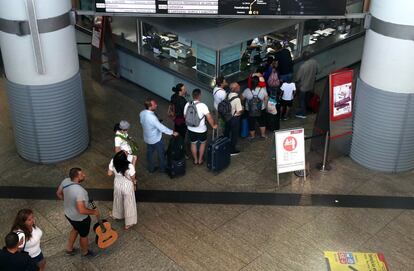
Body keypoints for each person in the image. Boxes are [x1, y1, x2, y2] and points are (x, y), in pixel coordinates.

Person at [56, 168, 100, 257]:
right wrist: (94, 212)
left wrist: (68, 201)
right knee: (84, 236)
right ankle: (85, 252)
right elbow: (82, 210)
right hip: (80, 218)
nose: (84, 175)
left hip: (68, 214)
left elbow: (58, 193)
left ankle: (69, 249)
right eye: (81, 175)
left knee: (75, 228)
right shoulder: (80, 191)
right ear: (76, 177)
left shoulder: (65, 181)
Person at [140, 98, 178, 173]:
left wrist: (153, 125)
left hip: (147, 138)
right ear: (150, 107)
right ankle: (163, 168)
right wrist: (172, 132)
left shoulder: (142, 113)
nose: (156, 105)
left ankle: (151, 168)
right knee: (161, 154)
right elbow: (162, 128)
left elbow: (143, 122)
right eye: (154, 104)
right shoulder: (152, 118)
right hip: (156, 139)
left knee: (150, 153)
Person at [184, 88, 217, 165]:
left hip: (191, 129)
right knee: (202, 143)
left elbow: (185, 116)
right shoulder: (203, 105)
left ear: (193, 96)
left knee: (193, 143)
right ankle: (200, 160)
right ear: (199, 96)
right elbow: (209, 117)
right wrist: (213, 126)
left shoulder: (187, 104)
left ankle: (195, 160)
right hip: (201, 129)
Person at [108, 151, 137, 230]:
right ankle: (128, 223)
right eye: (126, 153)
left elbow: (109, 173)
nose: (127, 153)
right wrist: (134, 161)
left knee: (118, 200)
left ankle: (116, 215)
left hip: (117, 184)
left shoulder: (113, 161)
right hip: (127, 185)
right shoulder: (129, 165)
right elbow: (133, 177)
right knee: (129, 203)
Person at [242, 76, 268, 141]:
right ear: (258, 83)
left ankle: (252, 137)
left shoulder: (247, 90)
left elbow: (242, 98)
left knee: (251, 123)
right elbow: (266, 98)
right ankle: (263, 135)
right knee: (262, 122)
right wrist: (265, 106)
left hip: (249, 110)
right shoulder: (262, 90)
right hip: (261, 109)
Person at [295, 51, 320, 118]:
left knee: (302, 100)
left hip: (303, 86)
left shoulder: (302, 67)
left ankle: (303, 114)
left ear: (303, 58)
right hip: (311, 85)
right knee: (307, 99)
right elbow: (318, 71)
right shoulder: (314, 62)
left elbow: (297, 78)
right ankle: (307, 109)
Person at [224, 83, 243, 155]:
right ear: (236, 88)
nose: (239, 87)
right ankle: (232, 150)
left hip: (227, 117)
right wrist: (242, 109)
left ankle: (225, 146)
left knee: (227, 132)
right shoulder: (237, 99)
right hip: (234, 119)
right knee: (234, 134)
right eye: (238, 86)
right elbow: (239, 111)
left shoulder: (227, 95)